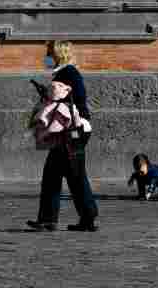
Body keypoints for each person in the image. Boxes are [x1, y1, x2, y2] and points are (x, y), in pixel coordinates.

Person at [29, 40, 98, 232]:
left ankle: (85, 217)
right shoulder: (64, 73)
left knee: (73, 174)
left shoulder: (68, 73)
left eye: (49, 52)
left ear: (58, 53)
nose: (47, 56)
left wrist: (51, 96)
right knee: (56, 173)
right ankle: (52, 219)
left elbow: (75, 98)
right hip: (70, 129)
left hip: (71, 130)